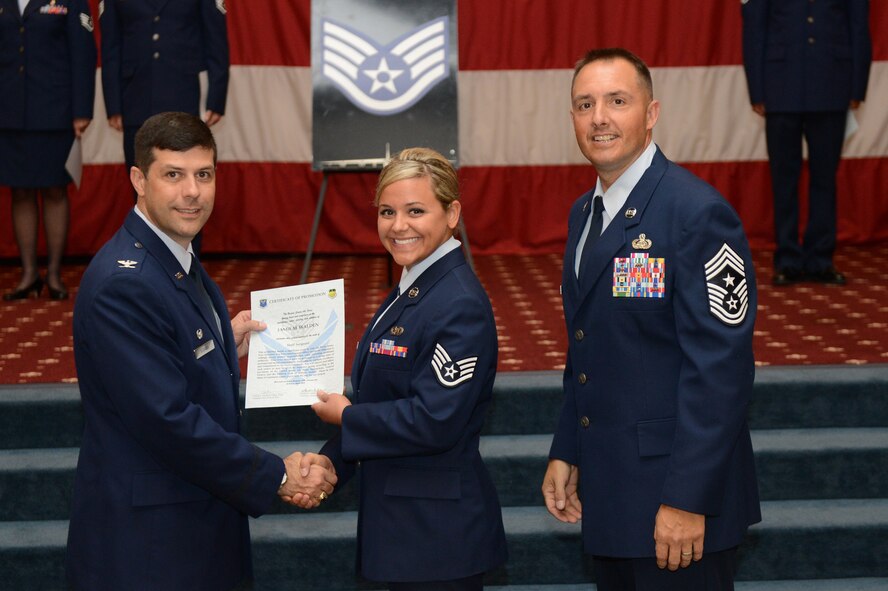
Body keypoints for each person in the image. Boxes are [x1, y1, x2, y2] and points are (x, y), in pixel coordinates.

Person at [66, 112, 336, 591]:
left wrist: (218, 348)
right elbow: (166, 419)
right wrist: (277, 475)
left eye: (203, 174)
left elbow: (164, 360)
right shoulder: (124, 283)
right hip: (152, 545)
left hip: (190, 520)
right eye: (173, 175)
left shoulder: (174, 256)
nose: (192, 191)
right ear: (138, 180)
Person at [541, 48, 761, 590]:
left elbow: (721, 372)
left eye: (618, 101)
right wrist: (567, 447)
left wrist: (688, 500)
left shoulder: (695, 213)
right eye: (585, 104)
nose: (599, 118)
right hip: (612, 494)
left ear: (652, 112)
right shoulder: (583, 214)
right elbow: (587, 347)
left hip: (679, 504)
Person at [311, 147, 508, 591]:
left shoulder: (457, 302)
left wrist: (347, 417)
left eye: (415, 210)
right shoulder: (413, 285)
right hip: (403, 530)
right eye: (387, 211)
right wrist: (330, 462)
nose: (398, 226)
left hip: (436, 541)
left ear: (452, 212)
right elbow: (381, 402)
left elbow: (433, 419)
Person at [742, 0, 872, 286]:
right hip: (780, 84)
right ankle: (787, 257)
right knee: (784, 180)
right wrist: (757, 89)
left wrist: (857, 85)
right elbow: (754, 25)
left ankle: (820, 259)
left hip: (832, 82)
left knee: (825, 179)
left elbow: (859, 25)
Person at [99, 0, 229, 253]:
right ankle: (147, 258)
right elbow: (111, 46)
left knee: (189, 189)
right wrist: (113, 105)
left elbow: (216, 39)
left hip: (184, 93)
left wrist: (216, 97)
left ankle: (189, 261)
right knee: (144, 186)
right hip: (135, 98)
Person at [0, 0, 96, 300]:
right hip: (10, 110)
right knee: (20, 191)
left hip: (55, 110)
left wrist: (82, 109)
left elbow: (83, 54)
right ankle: (28, 273)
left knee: (55, 190)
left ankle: (53, 273)